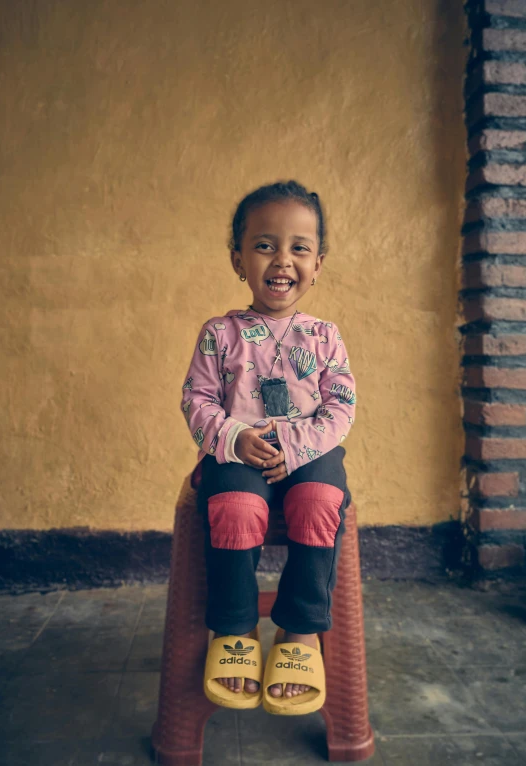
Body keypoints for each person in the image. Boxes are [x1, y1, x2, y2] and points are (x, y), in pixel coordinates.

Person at [180, 180, 356, 715]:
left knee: (322, 501)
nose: (282, 260)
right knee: (234, 506)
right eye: (264, 245)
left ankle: (300, 630)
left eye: (299, 247)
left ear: (318, 263)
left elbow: (340, 407)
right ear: (238, 259)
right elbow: (198, 399)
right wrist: (236, 437)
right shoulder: (220, 333)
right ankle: (234, 629)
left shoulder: (325, 336)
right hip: (237, 456)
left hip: (308, 455)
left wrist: (292, 444)